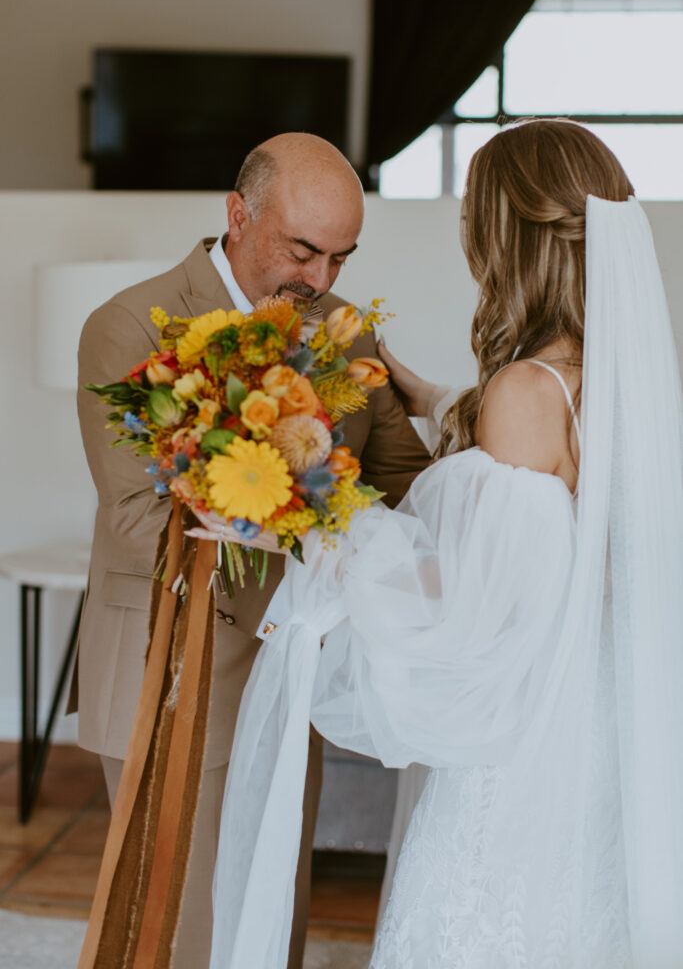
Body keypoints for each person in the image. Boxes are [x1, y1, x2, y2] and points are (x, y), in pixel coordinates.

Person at [207, 119, 683, 969]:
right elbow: (553, 474)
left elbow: (469, 605)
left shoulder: (524, 392)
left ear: (501, 234)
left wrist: (310, 520)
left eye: (471, 212)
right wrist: (430, 395)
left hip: (524, 747)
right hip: (594, 725)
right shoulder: (611, 374)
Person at [74, 132, 430, 969]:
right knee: (179, 936)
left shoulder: (345, 335)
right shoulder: (130, 323)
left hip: (289, 680)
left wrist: (504, 453)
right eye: (303, 250)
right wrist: (299, 520)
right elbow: (135, 519)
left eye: (341, 258)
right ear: (237, 215)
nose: (321, 280)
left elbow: (404, 485)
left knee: (272, 921)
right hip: (168, 676)